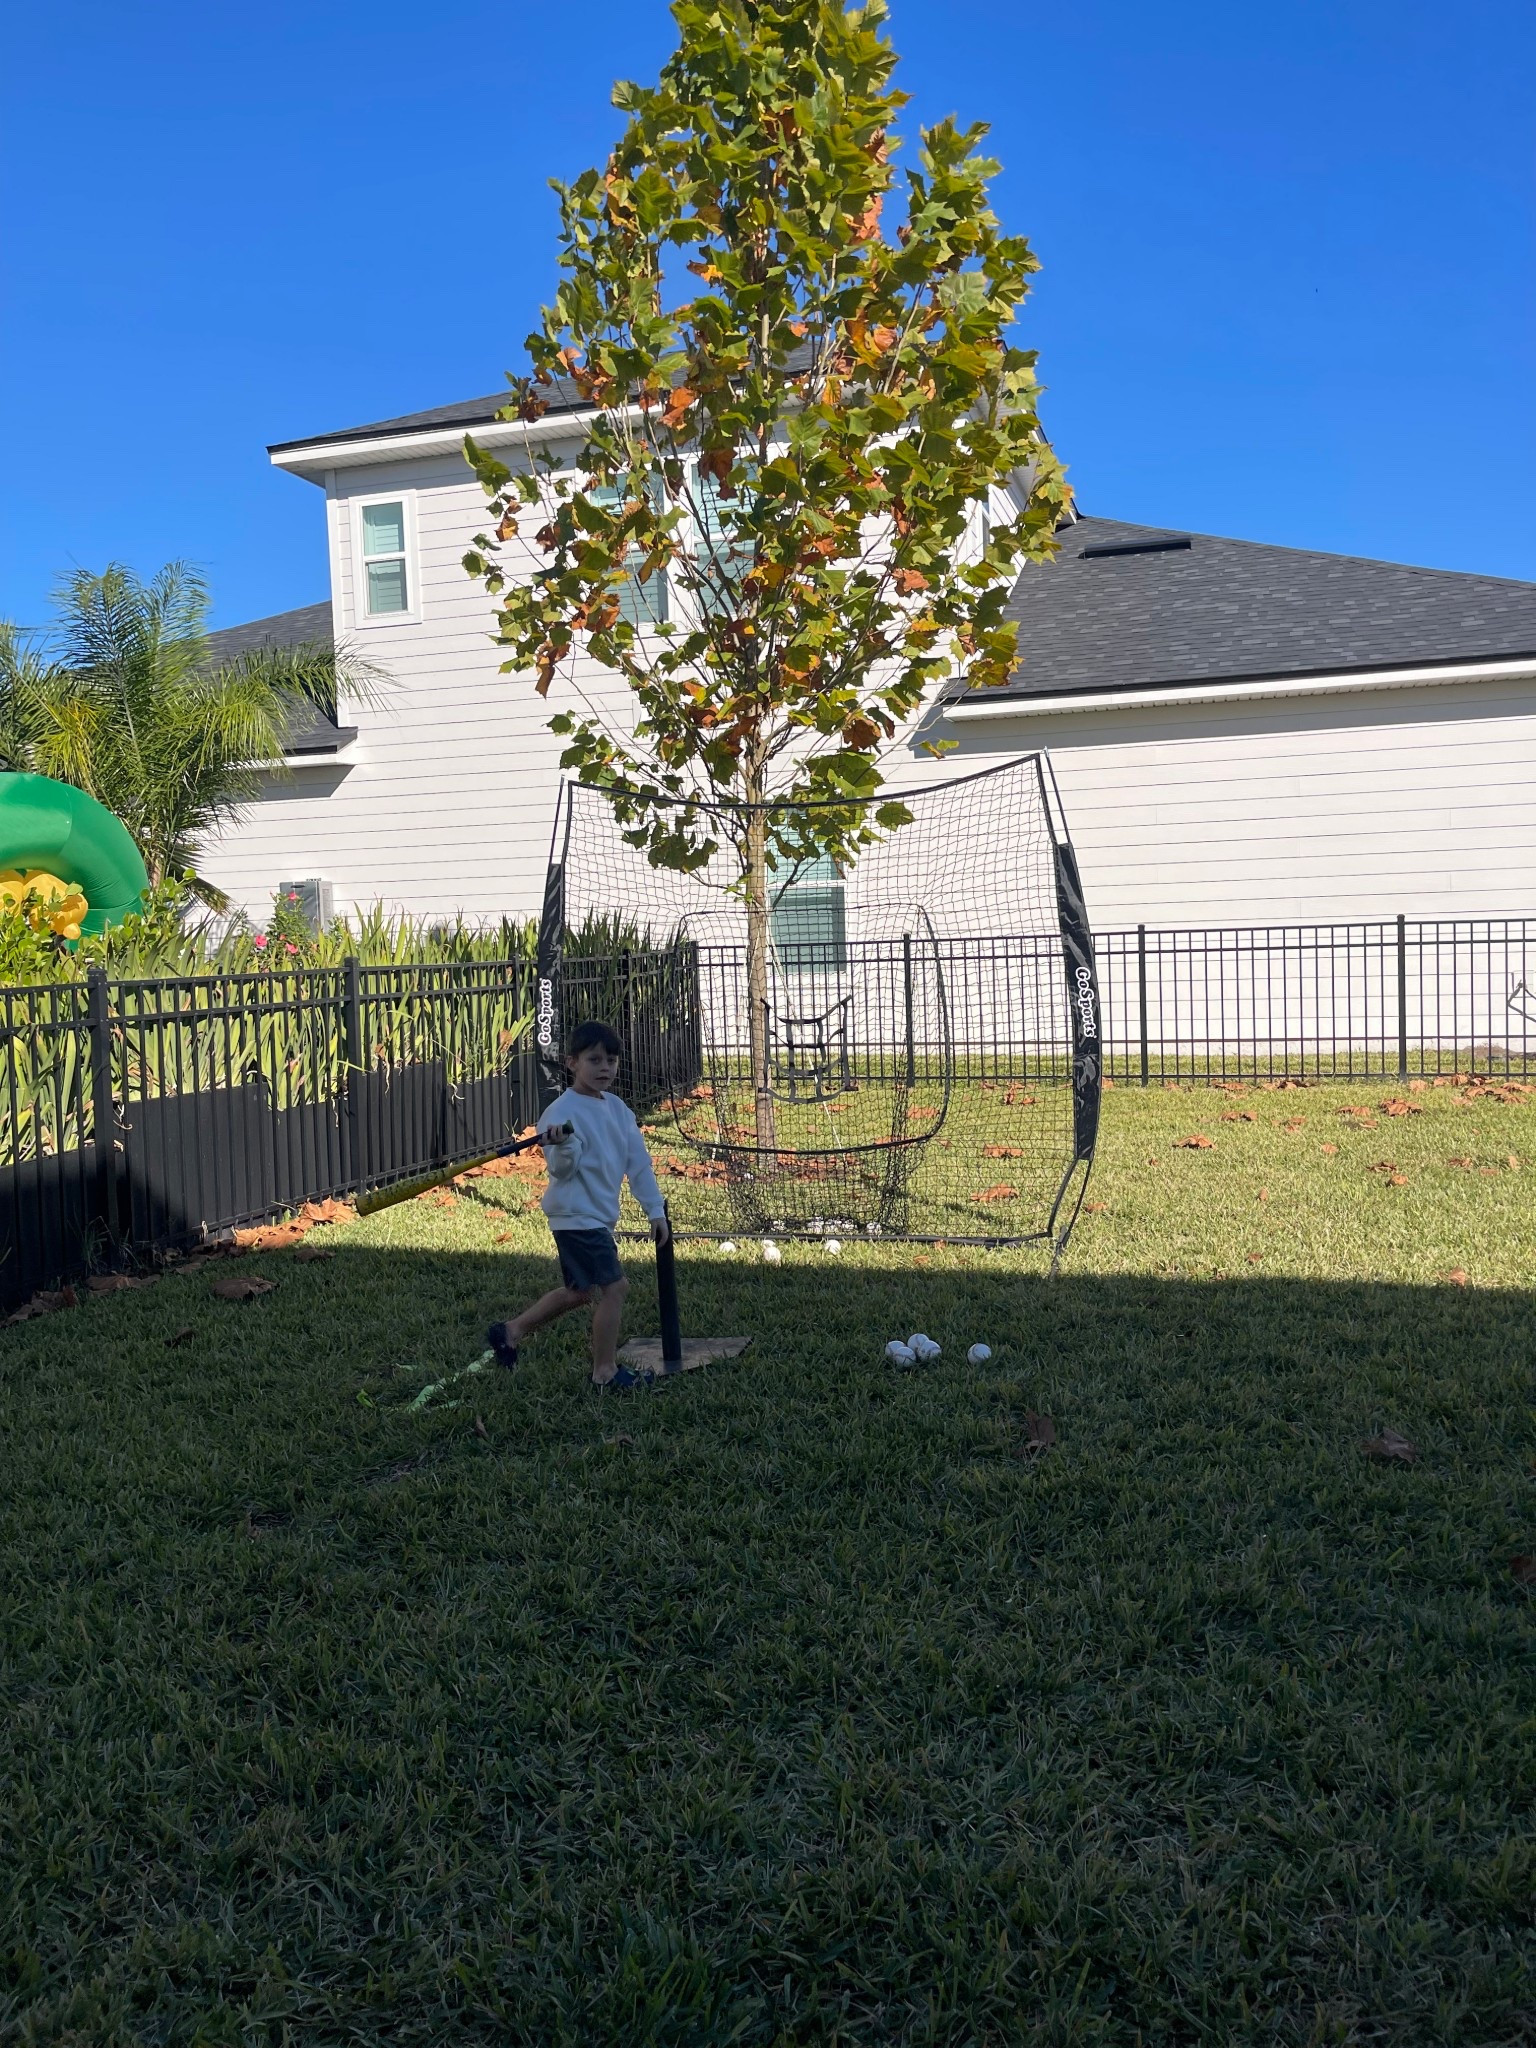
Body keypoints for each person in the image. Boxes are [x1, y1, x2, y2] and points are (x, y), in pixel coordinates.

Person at [486, 1019, 669, 1392]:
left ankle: (509, 1331)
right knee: (615, 1289)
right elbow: (562, 1171)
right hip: (576, 1216)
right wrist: (563, 1145)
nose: (605, 1068)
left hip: (594, 1217)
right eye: (595, 1060)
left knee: (578, 1293)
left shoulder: (618, 1110)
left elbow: (639, 1165)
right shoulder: (559, 1113)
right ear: (572, 1063)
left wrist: (655, 1209)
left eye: (612, 1061)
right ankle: (604, 1372)